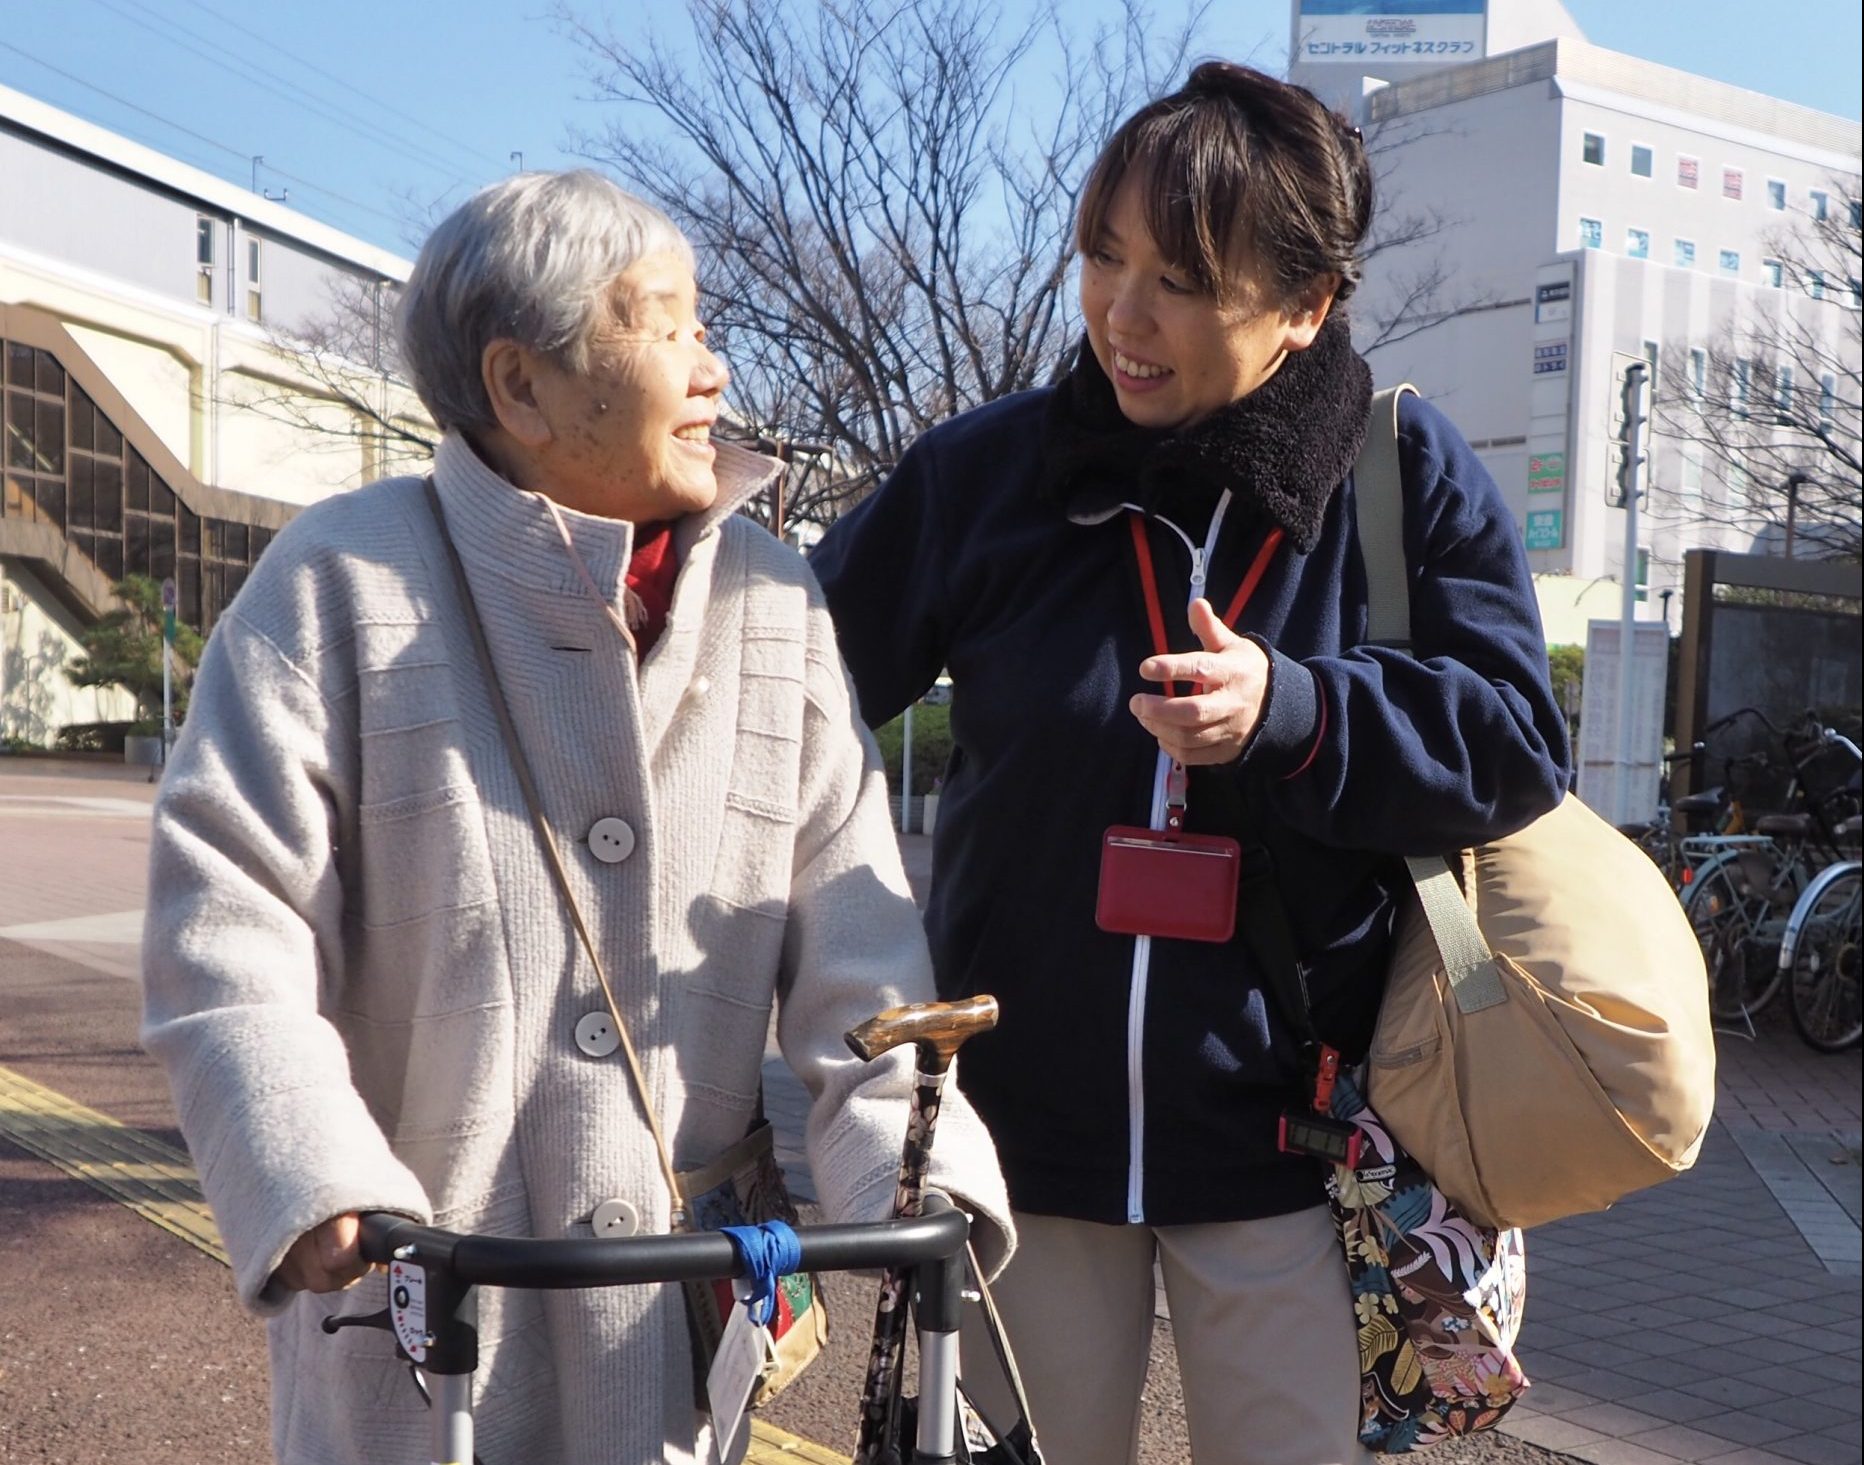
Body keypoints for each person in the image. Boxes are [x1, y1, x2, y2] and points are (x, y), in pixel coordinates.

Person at [139, 171, 1011, 1465]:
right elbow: (230, 928)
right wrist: (309, 1163)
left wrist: (909, 1164)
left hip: (674, 1325)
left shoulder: (769, 602)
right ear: (522, 387)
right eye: (672, 327)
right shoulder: (339, 586)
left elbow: (863, 958)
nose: (714, 368)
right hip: (423, 1321)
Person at [811, 63, 1572, 1465]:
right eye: (1105, 257)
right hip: (1022, 1141)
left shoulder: (1403, 479)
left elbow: (1518, 740)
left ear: (1306, 306)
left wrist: (1296, 708)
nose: (1121, 314)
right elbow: (785, 691)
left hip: (1299, 1146)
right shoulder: (987, 478)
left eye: (1183, 279)